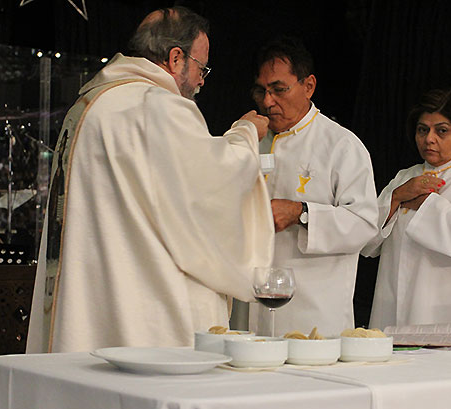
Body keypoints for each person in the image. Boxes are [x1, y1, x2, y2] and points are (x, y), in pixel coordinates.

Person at [26, 7, 274, 353]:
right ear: (176, 58)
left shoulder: (91, 105)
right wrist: (246, 132)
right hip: (144, 308)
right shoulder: (157, 106)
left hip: (90, 297)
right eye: (202, 67)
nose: (203, 79)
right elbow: (213, 184)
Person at [248, 37, 378, 337]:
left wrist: (301, 213)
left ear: (309, 86)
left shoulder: (341, 145)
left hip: (313, 312)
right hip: (253, 307)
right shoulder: (250, 140)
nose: (268, 101)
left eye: (279, 90)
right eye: (261, 91)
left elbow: (364, 224)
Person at [361, 89, 451, 332]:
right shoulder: (404, 178)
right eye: (422, 129)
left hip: (448, 310)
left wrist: (425, 204)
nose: (429, 139)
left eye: (442, 130)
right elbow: (367, 243)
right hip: (393, 306)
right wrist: (396, 198)